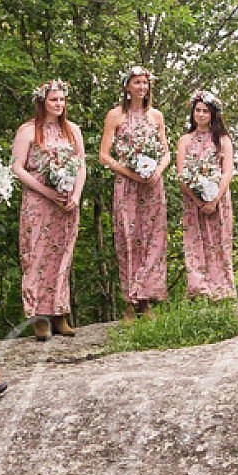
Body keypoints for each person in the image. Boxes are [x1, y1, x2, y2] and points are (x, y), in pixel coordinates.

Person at [11, 79, 86, 341]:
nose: (59, 104)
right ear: (42, 102)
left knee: (63, 256)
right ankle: (38, 317)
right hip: (39, 201)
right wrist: (47, 192)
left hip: (65, 204)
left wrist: (75, 194)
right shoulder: (29, 130)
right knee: (37, 256)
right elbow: (17, 168)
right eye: (54, 100)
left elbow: (81, 166)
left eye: (62, 100)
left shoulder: (72, 130)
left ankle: (60, 314)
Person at [99, 66, 171, 318]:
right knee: (128, 240)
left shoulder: (156, 116)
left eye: (145, 83)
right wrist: (130, 173)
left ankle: (146, 300)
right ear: (127, 86)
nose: (142, 87)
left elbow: (166, 153)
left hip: (152, 186)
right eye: (137, 82)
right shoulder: (115, 115)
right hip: (127, 185)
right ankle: (130, 301)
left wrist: (156, 172)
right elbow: (104, 155)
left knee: (153, 240)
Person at [176, 90, 237, 300]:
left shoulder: (222, 140)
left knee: (219, 242)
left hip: (218, 201)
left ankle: (222, 291)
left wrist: (214, 199)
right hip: (194, 202)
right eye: (197, 111)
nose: (201, 115)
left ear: (213, 114)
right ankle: (199, 290)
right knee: (195, 242)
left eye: (205, 111)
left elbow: (227, 171)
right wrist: (197, 199)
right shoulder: (185, 140)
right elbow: (181, 174)